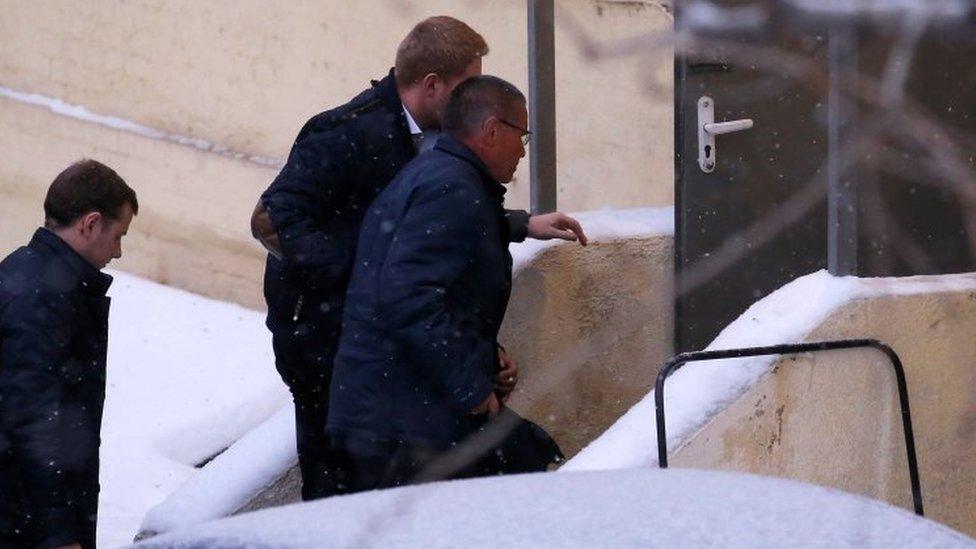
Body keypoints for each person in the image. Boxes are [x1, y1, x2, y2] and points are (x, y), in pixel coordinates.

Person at [250, 16, 586, 500]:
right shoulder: (345, 133)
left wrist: (516, 224)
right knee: (333, 493)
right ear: (432, 85)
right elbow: (271, 219)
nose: (478, 97)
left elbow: (428, 224)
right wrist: (361, 271)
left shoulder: (436, 148)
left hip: (383, 346)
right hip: (321, 340)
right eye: (468, 85)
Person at [327, 75, 562, 492]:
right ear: (491, 130)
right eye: (520, 136)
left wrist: (488, 357)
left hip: (395, 412)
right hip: (403, 424)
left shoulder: (443, 173)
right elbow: (410, 297)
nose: (522, 151)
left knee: (529, 459)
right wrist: (470, 387)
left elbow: (450, 255)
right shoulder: (451, 186)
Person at [0, 160, 137, 549]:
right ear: (91, 223)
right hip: (22, 523)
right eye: (118, 235)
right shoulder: (43, 299)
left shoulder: (29, 274)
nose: (119, 252)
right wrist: (60, 534)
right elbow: (33, 423)